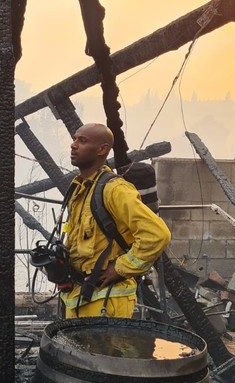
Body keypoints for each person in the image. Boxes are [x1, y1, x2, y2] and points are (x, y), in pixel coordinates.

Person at [61, 122, 171, 318]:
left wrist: (120, 269)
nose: (74, 145)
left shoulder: (115, 190)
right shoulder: (80, 188)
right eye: (74, 139)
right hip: (78, 297)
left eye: (83, 141)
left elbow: (157, 235)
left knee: (103, 351)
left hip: (107, 302)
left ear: (102, 149)